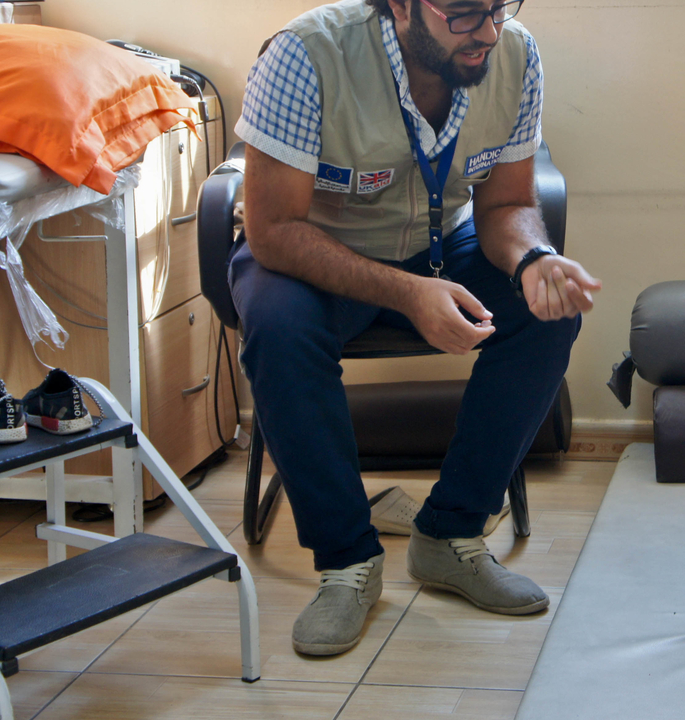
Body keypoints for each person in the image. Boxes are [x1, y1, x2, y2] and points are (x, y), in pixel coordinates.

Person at [231, 0, 601, 656]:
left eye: (497, 7)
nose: (488, 31)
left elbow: (508, 203)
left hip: (442, 245)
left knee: (547, 308)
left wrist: (534, 258)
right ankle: (347, 562)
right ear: (401, 5)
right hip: (313, 252)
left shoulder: (514, 53)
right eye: (463, 13)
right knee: (278, 327)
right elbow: (274, 231)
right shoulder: (305, 54)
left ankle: (448, 537)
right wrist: (407, 294)